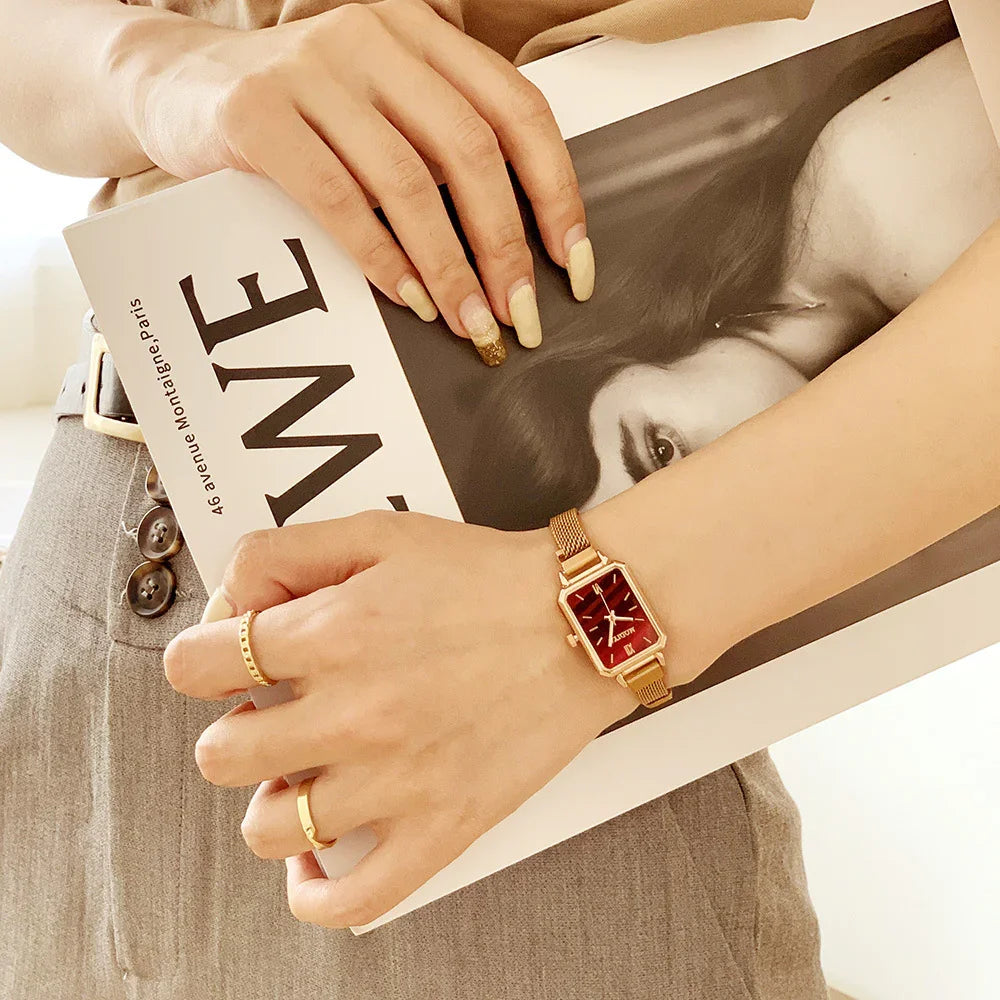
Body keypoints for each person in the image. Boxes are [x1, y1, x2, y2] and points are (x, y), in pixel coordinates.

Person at [1, 4, 996, 1000]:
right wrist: (153, 67)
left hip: (501, 770)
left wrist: (584, 618)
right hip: (68, 612)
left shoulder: (877, 183)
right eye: (639, 455)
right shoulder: (824, 221)